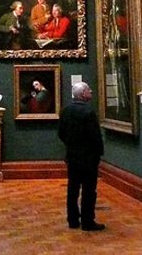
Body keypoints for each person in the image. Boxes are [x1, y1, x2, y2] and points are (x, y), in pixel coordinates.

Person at [57, 81, 105, 231]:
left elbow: (61, 133)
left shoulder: (66, 111)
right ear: (83, 94)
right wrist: (98, 152)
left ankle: (72, 220)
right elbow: (95, 137)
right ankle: (87, 221)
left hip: (72, 156)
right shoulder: (88, 113)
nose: (91, 92)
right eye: (89, 90)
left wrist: (71, 145)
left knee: (73, 189)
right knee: (89, 190)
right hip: (88, 158)